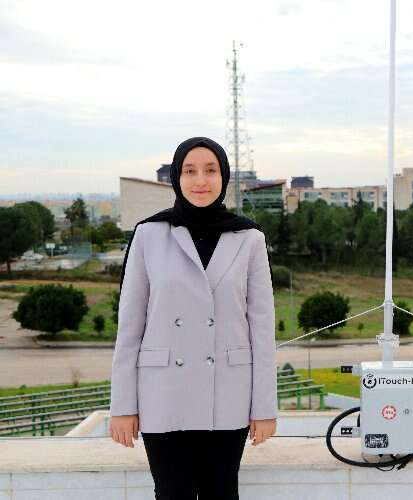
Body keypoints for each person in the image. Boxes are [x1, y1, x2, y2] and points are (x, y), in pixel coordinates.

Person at [109, 137, 278, 500]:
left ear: (224, 177)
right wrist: (123, 406)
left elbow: (262, 330)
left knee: (221, 494)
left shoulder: (249, 238)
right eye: (190, 171)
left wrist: (264, 408)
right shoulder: (148, 235)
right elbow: (130, 327)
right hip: (162, 393)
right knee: (172, 494)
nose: (200, 180)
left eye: (210, 170)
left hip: (229, 394)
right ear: (176, 177)